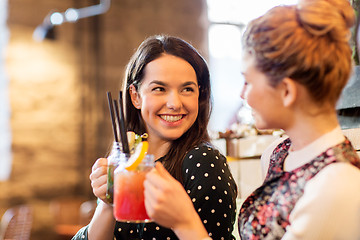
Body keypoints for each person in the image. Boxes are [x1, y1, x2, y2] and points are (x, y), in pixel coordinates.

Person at [143, 0, 360, 239]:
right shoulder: (277, 154)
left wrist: (184, 222)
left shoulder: (338, 184)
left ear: (286, 91)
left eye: (248, 81)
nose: (242, 94)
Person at [72, 35, 238, 240]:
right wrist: (107, 203)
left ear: (199, 95)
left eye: (187, 89)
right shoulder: (128, 159)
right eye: (159, 89)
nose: (175, 103)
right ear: (135, 96)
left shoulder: (203, 162)